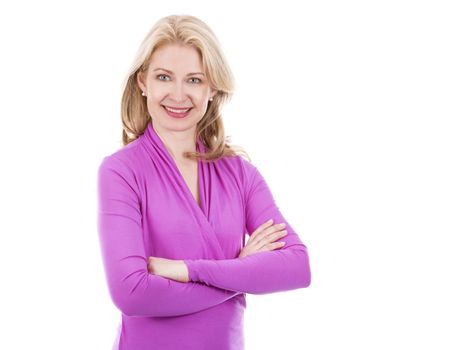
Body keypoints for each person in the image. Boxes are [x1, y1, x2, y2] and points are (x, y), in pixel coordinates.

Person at [97, 14, 311, 350]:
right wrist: (241, 273)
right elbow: (132, 294)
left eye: (194, 80)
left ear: (212, 88)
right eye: (164, 77)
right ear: (143, 83)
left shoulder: (240, 174)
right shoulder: (121, 171)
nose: (179, 95)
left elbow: (297, 267)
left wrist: (184, 269)